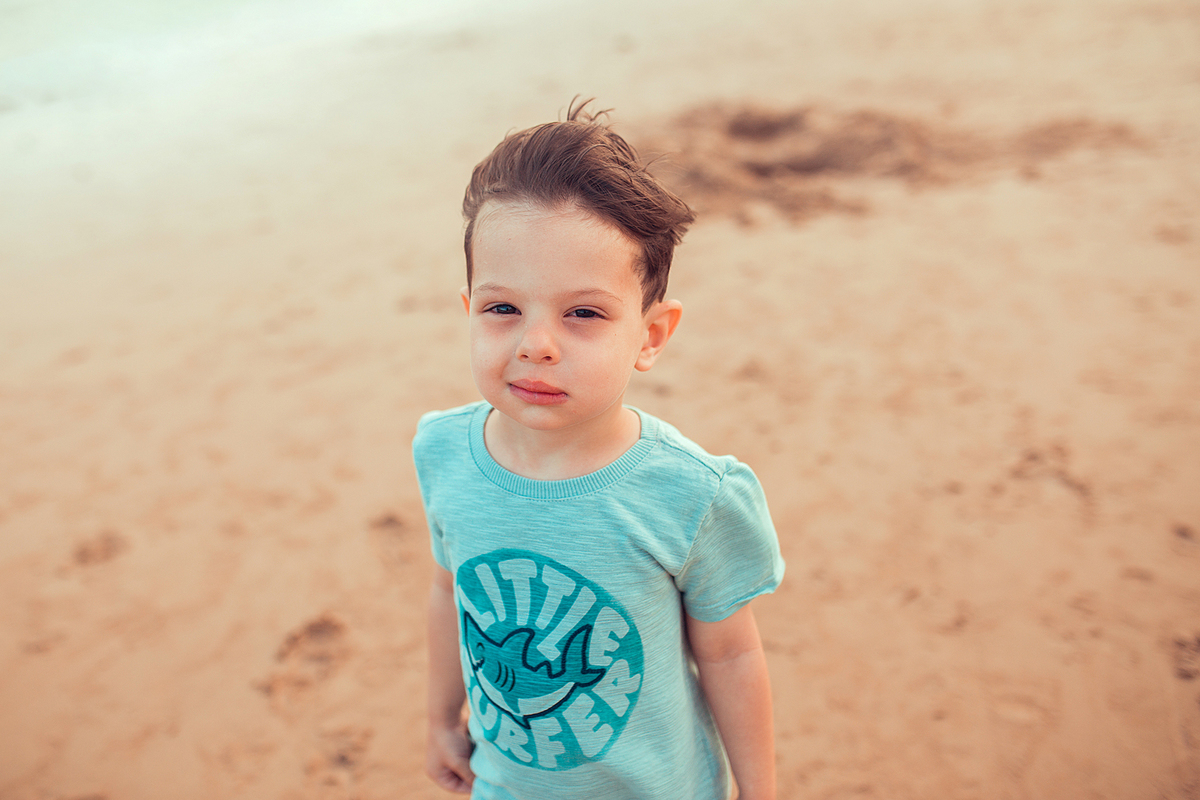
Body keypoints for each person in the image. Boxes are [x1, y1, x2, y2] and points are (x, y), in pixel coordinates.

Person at [413, 100, 785, 800]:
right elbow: (447, 591)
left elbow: (731, 655)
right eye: (502, 308)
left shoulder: (692, 496)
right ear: (469, 311)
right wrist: (439, 718)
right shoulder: (442, 452)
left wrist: (759, 791)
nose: (536, 344)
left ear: (650, 335)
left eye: (583, 313)